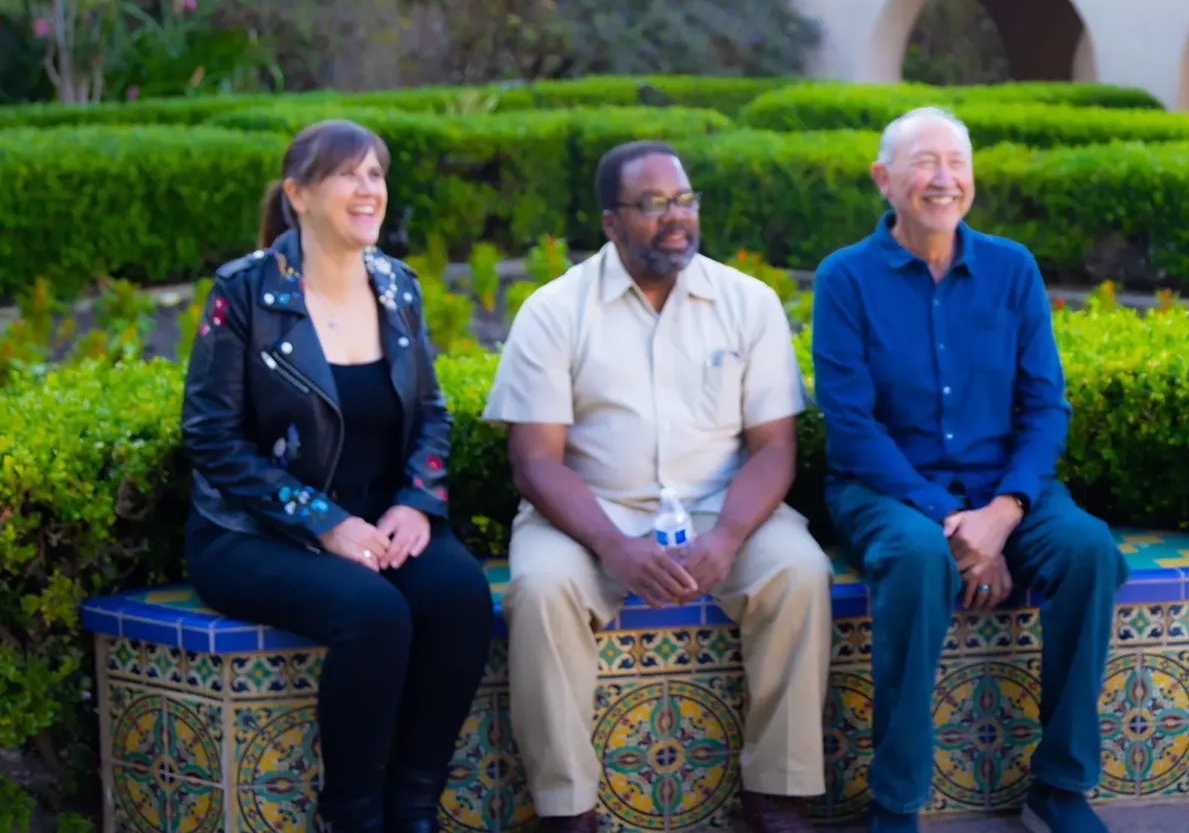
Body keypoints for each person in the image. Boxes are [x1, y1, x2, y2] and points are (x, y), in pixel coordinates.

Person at [483, 141, 831, 833]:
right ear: (611, 221)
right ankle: (566, 808)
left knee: (799, 573)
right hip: (586, 513)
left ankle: (778, 798)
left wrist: (728, 535)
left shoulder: (747, 302)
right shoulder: (555, 311)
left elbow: (774, 449)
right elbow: (535, 462)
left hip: (722, 508)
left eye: (684, 200)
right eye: (652, 205)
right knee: (542, 590)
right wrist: (613, 545)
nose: (676, 218)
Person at [810, 108, 1128, 833]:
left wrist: (1005, 510)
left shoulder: (1011, 269)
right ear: (884, 179)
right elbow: (852, 427)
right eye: (925, 162)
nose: (944, 178)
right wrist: (946, 519)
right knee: (920, 560)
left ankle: (1061, 784)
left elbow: (1046, 406)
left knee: (1088, 552)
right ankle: (895, 801)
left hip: (1004, 489)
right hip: (885, 488)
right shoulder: (845, 279)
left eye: (957, 163)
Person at [180, 119, 495, 833]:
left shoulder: (397, 286)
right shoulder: (244, 293)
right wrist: (322, 521)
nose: (368, 189)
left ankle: (414, 806)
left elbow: (432, 413)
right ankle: (350, 815)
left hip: (379, 521)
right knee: (373, 613)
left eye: (377, 174)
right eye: (348, 174)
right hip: (251, 532)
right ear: (297, 193)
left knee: (460, 598)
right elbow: (212, 437)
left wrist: (417, 503)